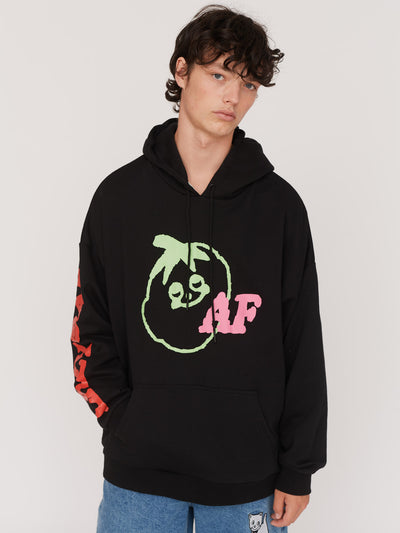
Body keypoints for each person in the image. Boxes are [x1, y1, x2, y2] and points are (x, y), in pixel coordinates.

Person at [70, 4, 328, 532]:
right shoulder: (119, 199)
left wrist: (298, 467)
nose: (234, 97)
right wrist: (126, 421)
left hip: (248, 478)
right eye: (219, 75)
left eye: (249, 84)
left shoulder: (279, 208)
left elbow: (302, 341)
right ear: (182, 71)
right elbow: (89, 326)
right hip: (139, 476)